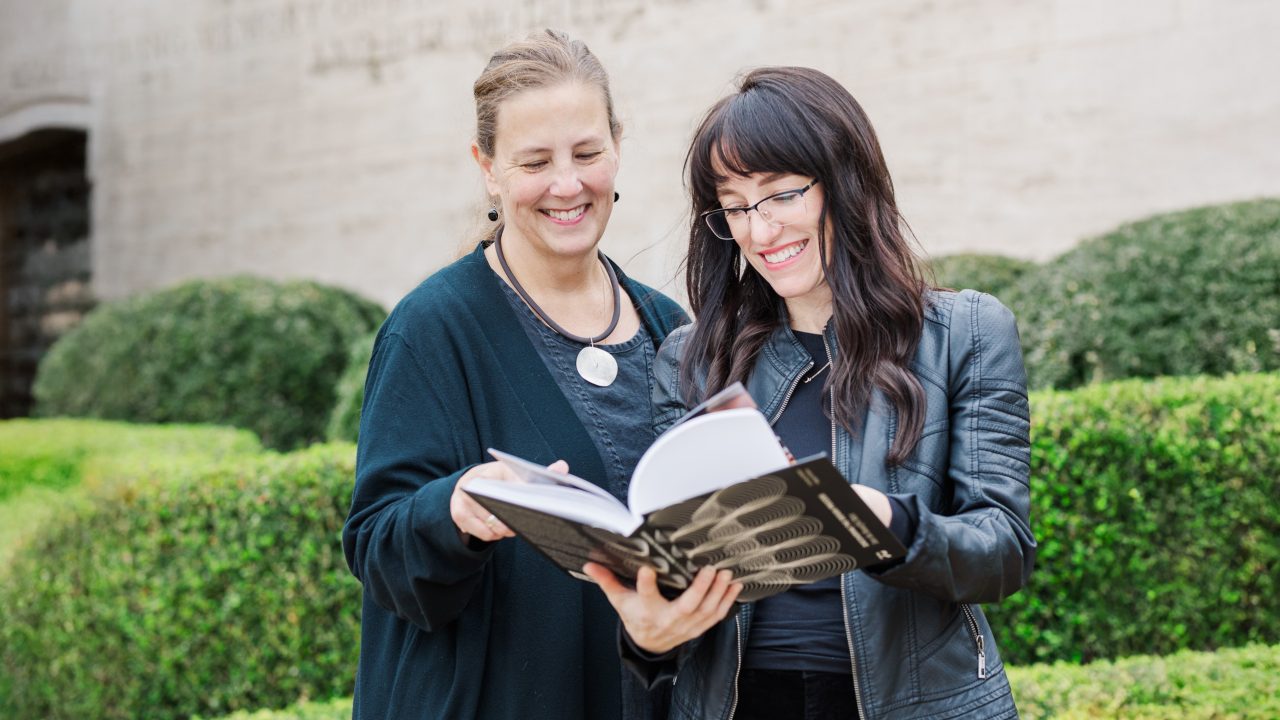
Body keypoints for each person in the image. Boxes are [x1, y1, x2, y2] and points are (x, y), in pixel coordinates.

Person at [583, 66, 1036, 719]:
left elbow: (1002, 550)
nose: (760, 232)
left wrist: (888, 522)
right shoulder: (693, 357)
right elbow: (678, 556)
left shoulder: (965, 333)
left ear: (846, 183)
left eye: (781, 195)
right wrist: (651, 635)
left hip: (919, 705)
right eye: (735, 207)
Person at [342, 30, 687, 720]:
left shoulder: (669, 327)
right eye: (535, 162)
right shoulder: (433, 329)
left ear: (617, 145)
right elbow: (377, 547)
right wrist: (455, 509)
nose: (568, 185)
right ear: (488, 167)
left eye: (587, 153)